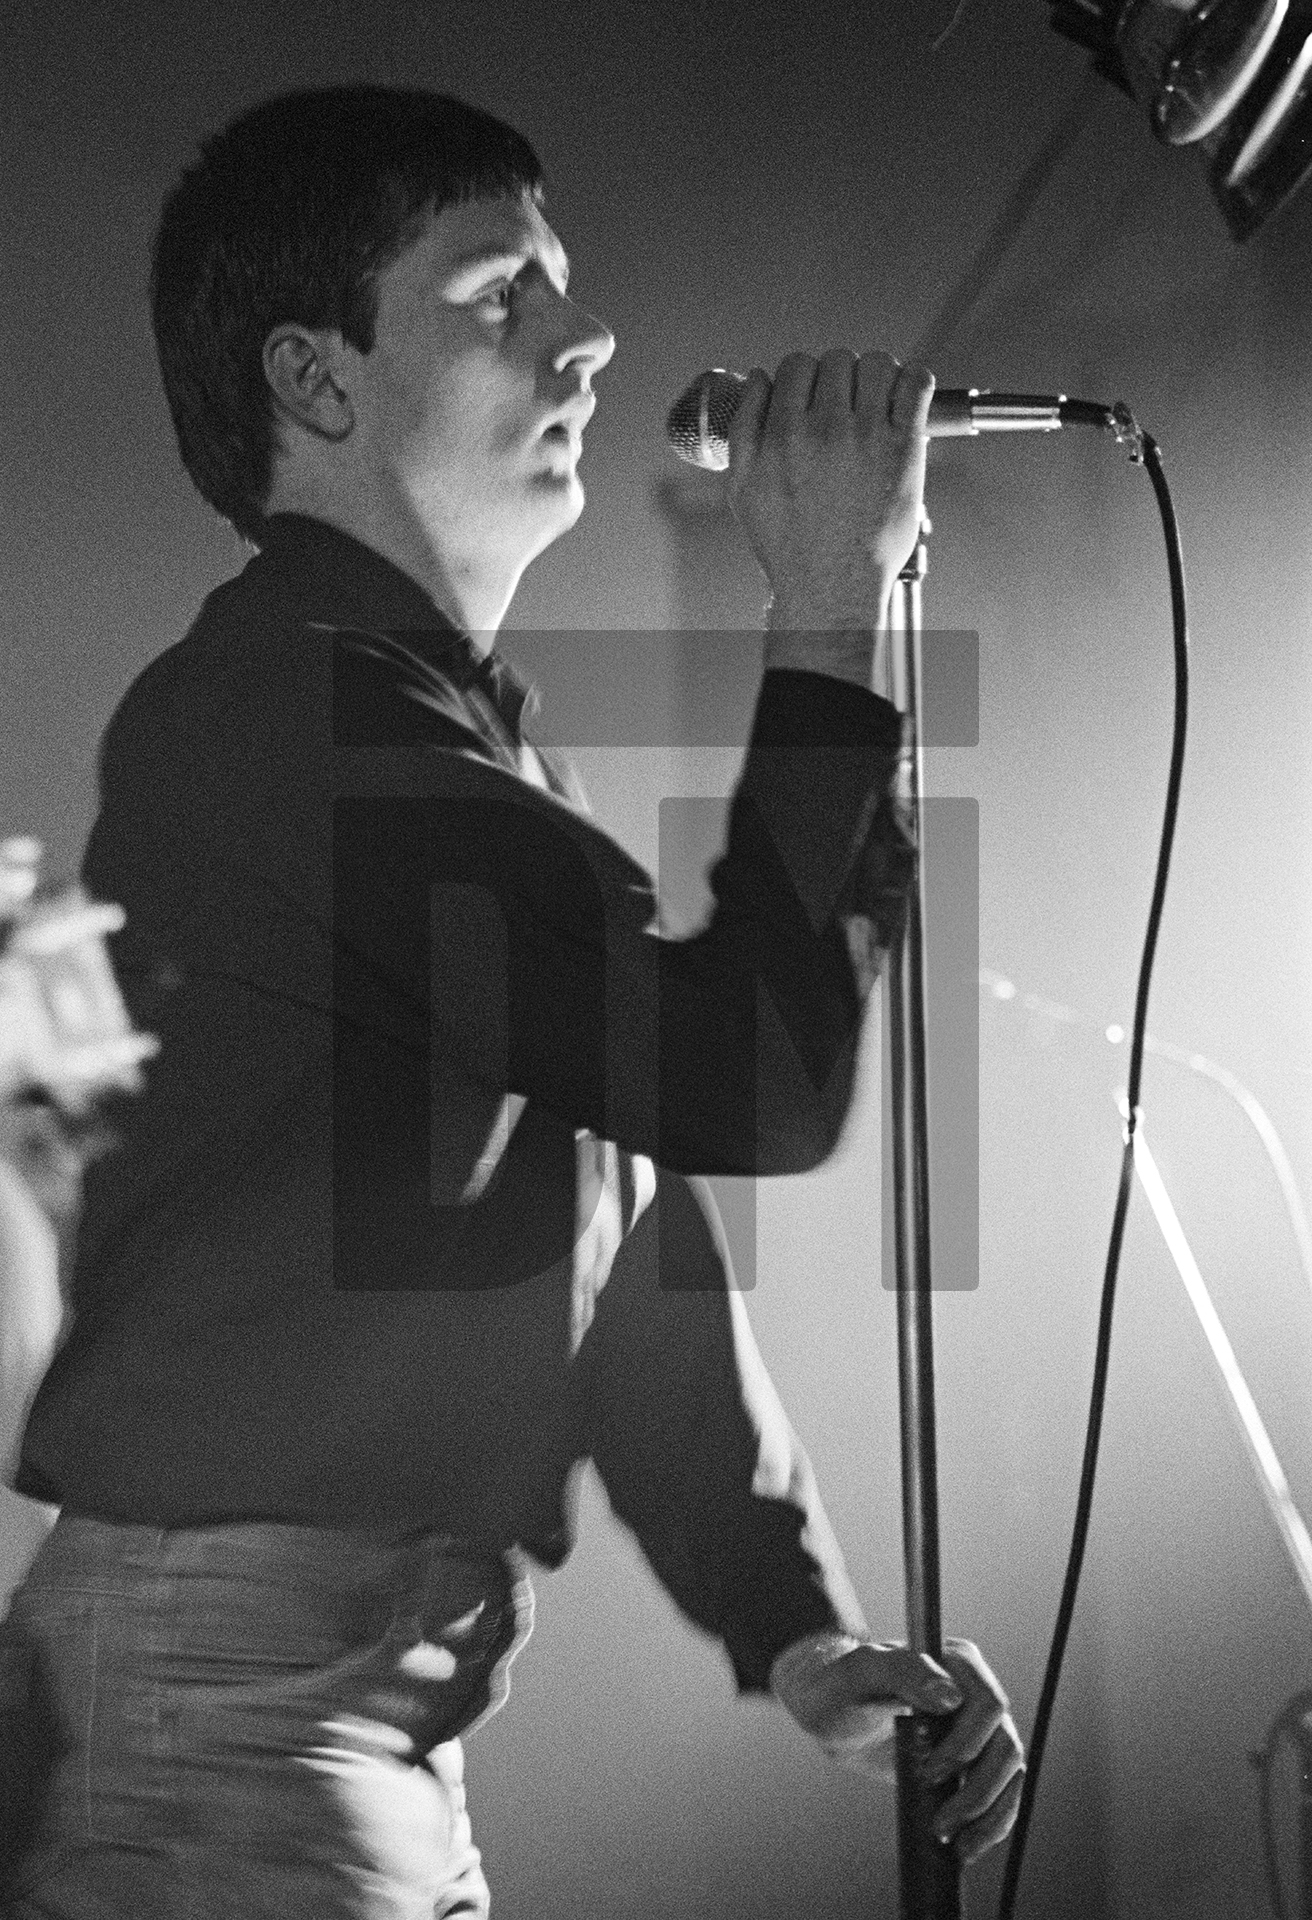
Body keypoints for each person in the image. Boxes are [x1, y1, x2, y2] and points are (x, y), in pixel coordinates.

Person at [0, 85, 1024, 1918]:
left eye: (565, 284)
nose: (590, 333)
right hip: (226, 1720)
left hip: (333, 1719)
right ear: (313, 380)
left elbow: (617, 1234)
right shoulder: (285, 716)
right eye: (500, 297)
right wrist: (820, 616)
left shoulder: (426, 741)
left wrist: (792, 1627)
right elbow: (749, 1080)